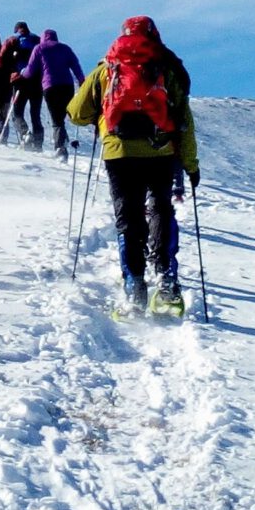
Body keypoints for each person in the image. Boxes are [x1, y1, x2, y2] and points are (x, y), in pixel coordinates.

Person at [68, 16, 199, 317]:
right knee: (161, 209)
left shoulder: (107, 67)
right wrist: (190, 165)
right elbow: (184, 120)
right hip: (160, 151)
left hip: (119, 153)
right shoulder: (167, 66)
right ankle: (166, 279)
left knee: (128, 217)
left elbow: (75, 112)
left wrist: (100, 118)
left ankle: (134, 284)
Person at [22, 28, 85, 155]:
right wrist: (81, 80)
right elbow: (76, 65)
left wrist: (22, 72)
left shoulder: (39, 48)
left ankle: (60, 147)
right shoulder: (65, 48)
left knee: (56, 119)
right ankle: (62, 140)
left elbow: (31, 69)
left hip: (50, 86)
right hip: (67, 86)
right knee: (61, 116)